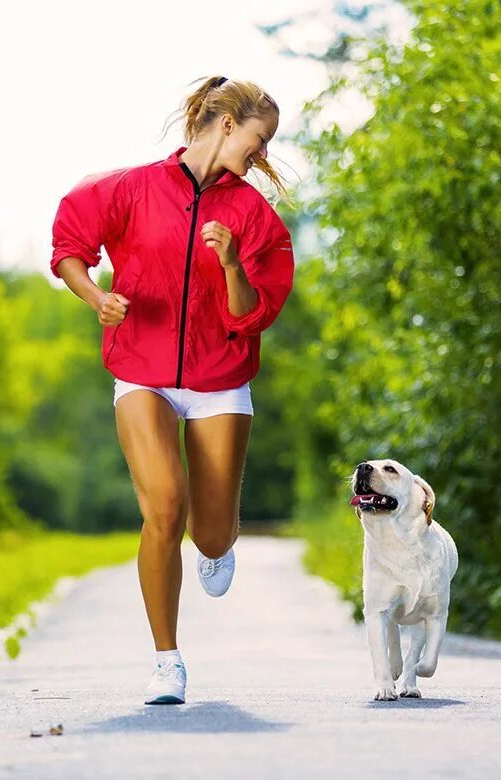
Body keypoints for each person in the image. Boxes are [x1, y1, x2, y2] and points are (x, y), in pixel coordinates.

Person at [50, 75, 295, 705]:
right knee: (164, 505)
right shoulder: (130, 188)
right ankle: (167, 661)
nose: (260, 155)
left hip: (220, 380)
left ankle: (219, 547)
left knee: (210, 533)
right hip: (142, 370)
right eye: (257, 140)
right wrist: (97, 296)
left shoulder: (255, 217)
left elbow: (253, 315)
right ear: (225, 124)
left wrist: (234, 263)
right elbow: (71, 244)